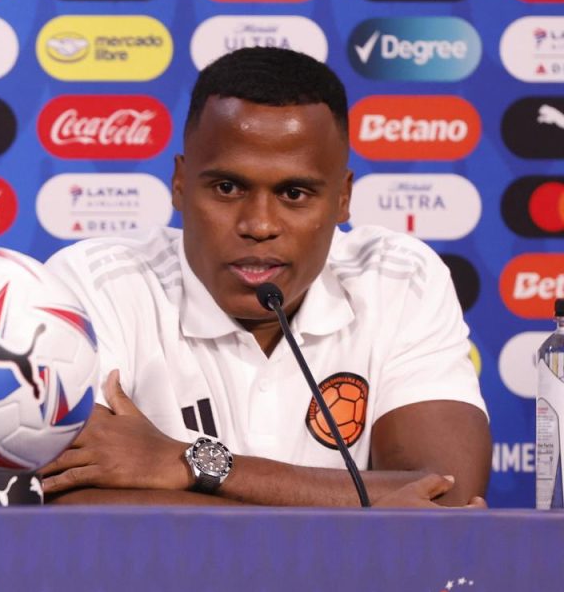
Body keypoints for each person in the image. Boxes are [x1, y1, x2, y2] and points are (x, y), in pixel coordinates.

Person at [40, 47, 489, 507]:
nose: (258, 225)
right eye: (227, 188)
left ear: (342, 199)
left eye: (294, 193)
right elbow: (79, 505)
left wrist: (184, 462)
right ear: (179, 183)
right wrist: (357, 512)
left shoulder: (398, 278)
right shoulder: (96, 285)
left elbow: (446, 499)